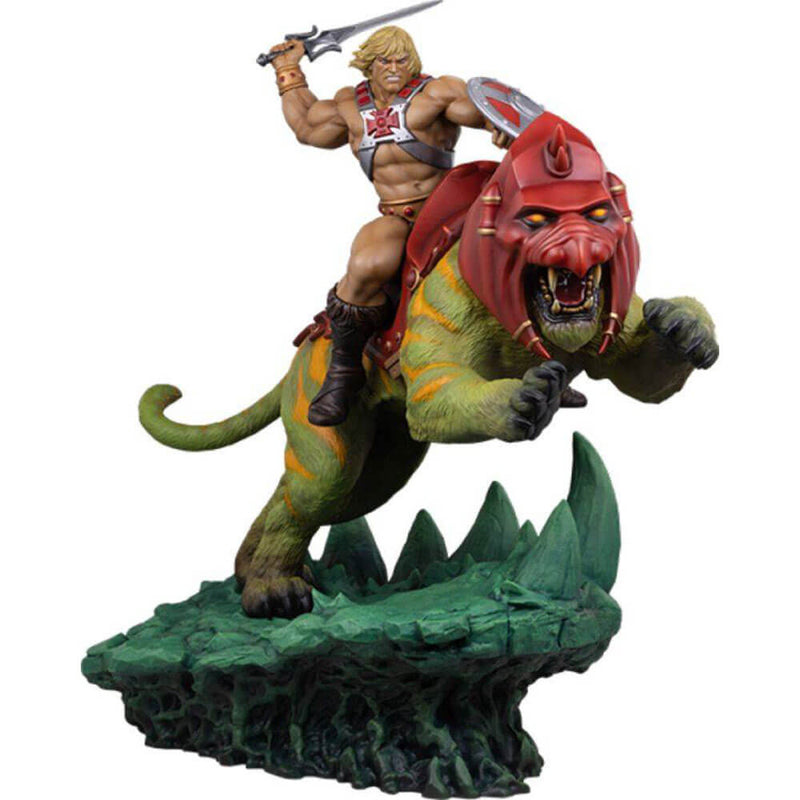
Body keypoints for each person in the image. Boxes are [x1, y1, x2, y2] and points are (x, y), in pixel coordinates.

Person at [269, 25, 509, 426]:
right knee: (367, 263)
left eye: (402, 60)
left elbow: (482, 108)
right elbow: (307, 127)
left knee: (516, 244)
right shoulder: (349, 105)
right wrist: (287, 69)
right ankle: (344, 372)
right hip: (397, 215)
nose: (395, 68)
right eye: (385, 61)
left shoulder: (436, 93)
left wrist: (500, 125)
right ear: (369, 65)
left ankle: (541, 353)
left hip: (451, 209)